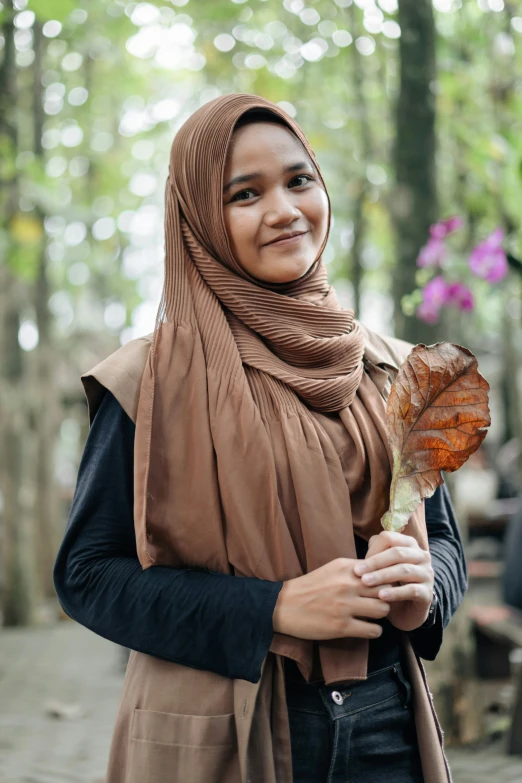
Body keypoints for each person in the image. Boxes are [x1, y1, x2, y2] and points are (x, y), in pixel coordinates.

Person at [54, 94, 467, 783]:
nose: (283, 209)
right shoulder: (150, 383)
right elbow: (87, 575)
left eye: (298, 180)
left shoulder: (393, 368)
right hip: (226, 737)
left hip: (387, 729)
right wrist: (273, 607)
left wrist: (429, 588)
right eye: (245, 194)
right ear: (199, 221)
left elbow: (444, 540)